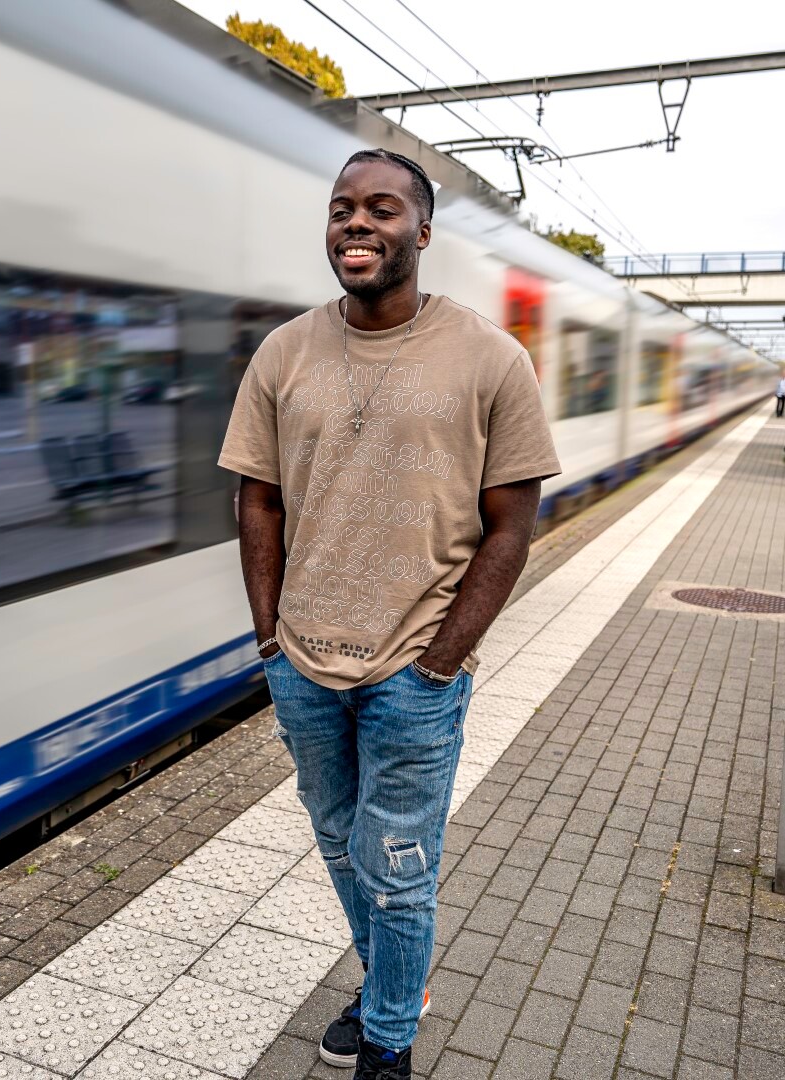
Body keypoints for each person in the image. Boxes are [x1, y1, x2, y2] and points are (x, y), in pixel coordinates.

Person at [219, 149, 560, 1080]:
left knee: (398, 866)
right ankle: (388, 991)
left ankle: (391, 1044)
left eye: (380, 208)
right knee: (338, 843)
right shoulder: (282, 353)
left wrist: (442, 661)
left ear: (422, 231)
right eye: (341, 209)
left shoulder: (491, 357)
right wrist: (268, 642)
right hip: (303, 665)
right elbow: (258, 502)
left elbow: (512, 524)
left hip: (415, 669)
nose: (355, 223)